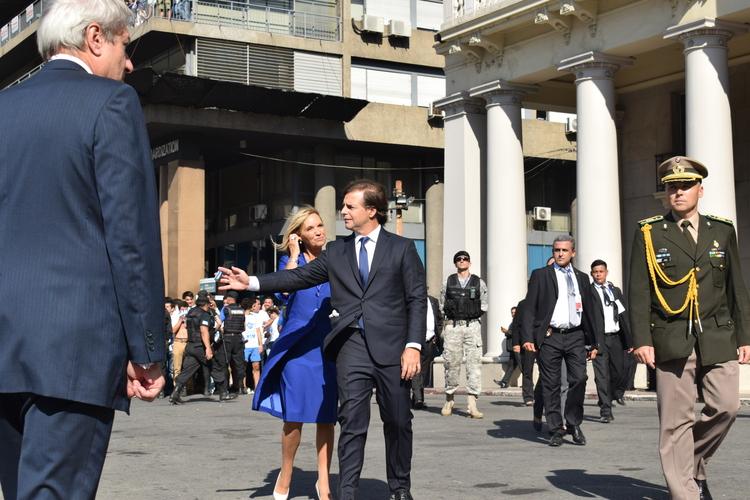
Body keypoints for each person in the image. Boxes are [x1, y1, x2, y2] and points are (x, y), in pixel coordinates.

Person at [0, 1, 166, 497]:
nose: (129, 62)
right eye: (124, 45)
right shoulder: (111, 103)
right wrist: (147, 351)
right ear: (96, 38)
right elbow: (130, 237)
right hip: (73, 352)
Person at [220, 179, 426, 500]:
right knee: (351, 423)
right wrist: (252, 282)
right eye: (343, 205)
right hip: (350, 349)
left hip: (393, 350)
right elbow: (298, 277)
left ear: (371, 211)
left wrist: (413, 346)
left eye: (349, 206)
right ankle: (345, 492)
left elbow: (416, 299)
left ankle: (399, 489)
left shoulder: (402, 248)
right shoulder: (337, 251)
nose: (342, 211)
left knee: (398, 422)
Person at [629, 156, 750, 500]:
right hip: (671, 335)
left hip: (717, 334)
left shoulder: (722, 230)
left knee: (727, 406)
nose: (678, 192)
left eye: (685, 186)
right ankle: (685, 493)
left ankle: (692, 463)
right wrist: (642, 339)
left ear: (700, 189)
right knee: (674, 421)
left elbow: (736, 287)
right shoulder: (649, 232)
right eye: (671, 187)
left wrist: (746, 336)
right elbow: (639, 290)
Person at [248, 207, 337, 500]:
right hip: (297, 349)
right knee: (294, 417)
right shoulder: (291, 262)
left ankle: (323, 481)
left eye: (320, 225)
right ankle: (286, 473)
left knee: (327, 417)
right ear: (299, 235)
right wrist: (295, 254)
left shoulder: (335, 260)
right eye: (311, 228)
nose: (319, 231)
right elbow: (285, 291)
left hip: (327, 347)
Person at [521, 235, 601, 447]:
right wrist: (528, 337)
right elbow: (529, 308)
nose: (560, 254)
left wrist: (595, 343)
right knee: (551, 384)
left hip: (576, 335)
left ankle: (573, 422)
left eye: (564, 250)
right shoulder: (541, 275)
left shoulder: (583, 278)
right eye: (557, 250)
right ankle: (556, 428)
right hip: (551, 336)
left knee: (579, 379)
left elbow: (591, 311)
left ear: (573, 253)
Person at [440, 250, 488, 419]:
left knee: (474, 364)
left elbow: (484, 304)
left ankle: (472, 403)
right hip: (453, 326)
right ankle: (449, 399)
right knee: (451, 363)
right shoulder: (448, 281)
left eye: (465, 259)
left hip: (472, 326)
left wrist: (471, 315)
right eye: (459, 259)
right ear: (455, 263)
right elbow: (441, 304)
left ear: (469, 262)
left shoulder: (478, 282)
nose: (462, 261)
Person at [590, 259, 633, 423]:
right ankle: (605, 410)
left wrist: (629, 341)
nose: (598, 274)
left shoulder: (615, 290)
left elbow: (623, 316)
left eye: (601, 271)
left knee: (618, 372)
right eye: (595, 272)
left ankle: (611, 395)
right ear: (592, 274)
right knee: (602, 375)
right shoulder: (589, 292)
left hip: (615, 338)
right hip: (599, 339)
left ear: (606, 272)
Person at [169, 296, 219, 403]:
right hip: (200, 346)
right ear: (206, 304)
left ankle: (175, 393)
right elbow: (204, 332)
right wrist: (208, 348)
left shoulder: (191, 312)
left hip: (190, 345)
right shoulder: (204, 314)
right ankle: (224, 392)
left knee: (187, 370)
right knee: (215, 366)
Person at [411, 294, 443, 409]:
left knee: (424, 371)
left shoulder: (433, 301)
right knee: (416, 369)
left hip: (430, 341)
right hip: (417, 340)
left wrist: (437, 334)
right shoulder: (414, 299)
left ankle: (416, 398)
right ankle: (419, 399)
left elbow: (439, 319)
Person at [218, 291, 248, 395]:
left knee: (225, 363)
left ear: (230, 299)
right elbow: (243, 327)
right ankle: (240, 387)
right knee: (239, 364)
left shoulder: (226, 309)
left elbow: (218, 323)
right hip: (239, 338)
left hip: (228, 338)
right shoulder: (241, 310)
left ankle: (225, 389)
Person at [243, 296, 267, 392]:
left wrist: (260, 345)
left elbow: (258, 331)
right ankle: (243, 387)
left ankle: (257, 387)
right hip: (245, 345)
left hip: (254, 345)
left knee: (256, 366)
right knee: (243, 366)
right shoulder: (241, 316)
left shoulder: (254, 316)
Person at [498, 306, 521, 389]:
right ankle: (504, 382)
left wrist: (507, 331)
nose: (513, 314)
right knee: (511, 366)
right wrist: (507, 332)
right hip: (512, 348)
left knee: (522, 365)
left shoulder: (519, 321)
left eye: (514, 312)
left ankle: (528, 383)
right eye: (512, 312)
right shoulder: (513, 321)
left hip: (517, 347)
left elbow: (517, 333)